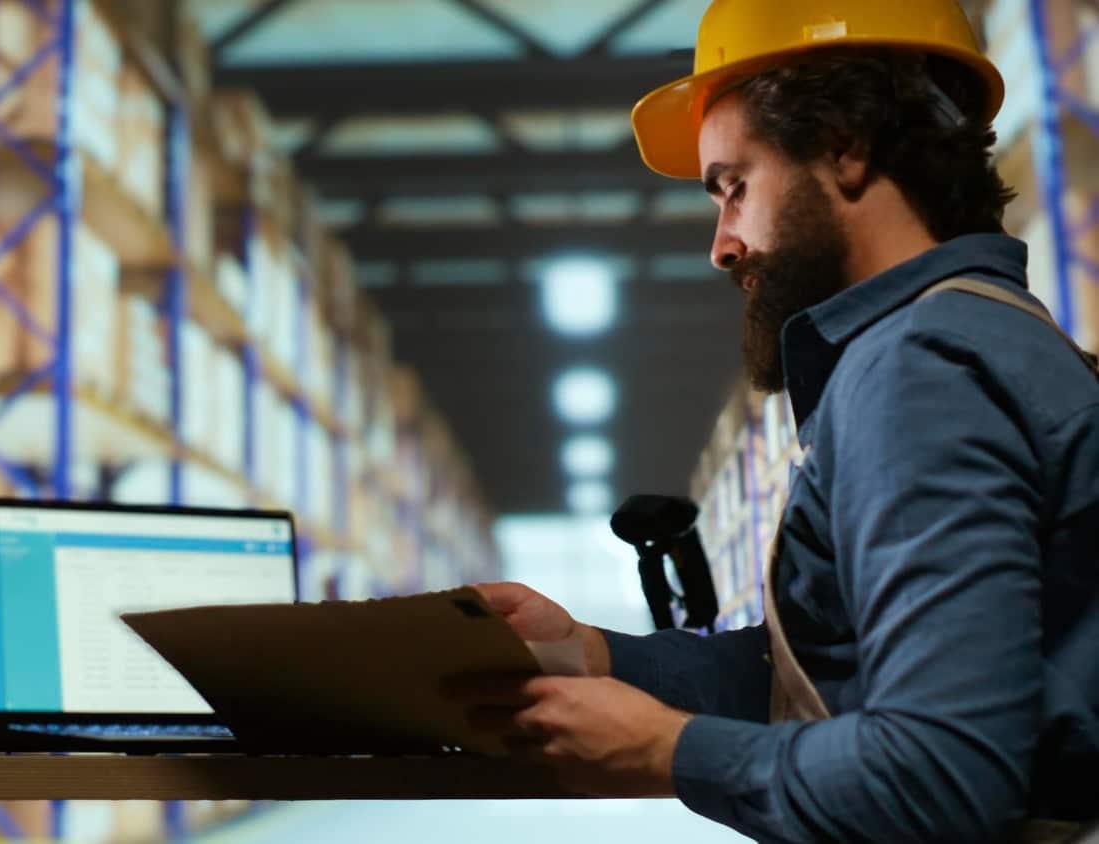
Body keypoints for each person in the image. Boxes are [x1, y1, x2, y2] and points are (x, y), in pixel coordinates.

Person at [447, 2, 1099, 842]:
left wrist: (668, 750)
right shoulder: (991, 337)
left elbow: (946, 773)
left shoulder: (918, 369)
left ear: (843, 147)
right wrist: (594, 656)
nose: (721, 244)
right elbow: (842, 668)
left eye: (734, 187)